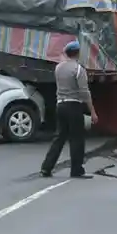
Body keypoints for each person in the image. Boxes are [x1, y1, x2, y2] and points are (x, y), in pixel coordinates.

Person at [40, 41, 98, 178]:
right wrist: (93, 112)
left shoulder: (58, 68)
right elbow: (85, 92)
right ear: (78, 53)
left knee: (59, 137)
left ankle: (46, 167)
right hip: (74, 106)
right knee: (77, 138)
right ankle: (76, 170)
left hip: (60, 105)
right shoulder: (78, 69)